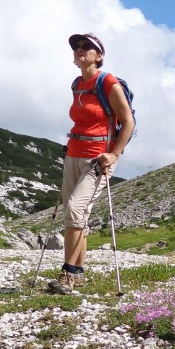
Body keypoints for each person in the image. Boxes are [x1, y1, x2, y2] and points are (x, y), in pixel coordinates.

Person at [49, 33, 135, 294]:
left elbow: (127, 121)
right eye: (77, 47)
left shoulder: (107, 82)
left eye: (87, 47)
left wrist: (114, 154)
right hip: (73, 153)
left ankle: (68, 275)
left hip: (98, 158)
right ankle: (79, 273)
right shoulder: (77, 84)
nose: (80, 50)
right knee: (76, 217)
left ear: (99, 56)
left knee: (74, 210)